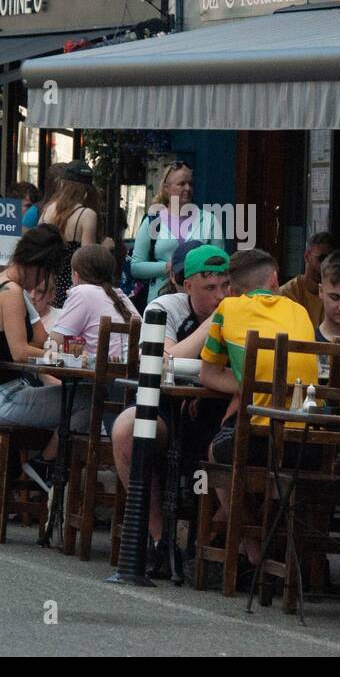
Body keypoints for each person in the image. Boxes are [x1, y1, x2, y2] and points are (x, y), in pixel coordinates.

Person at [110, 242, 230, 572]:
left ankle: (219, 542)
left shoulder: (242, 309)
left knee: (235, 446)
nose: (220, 296)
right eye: (210, 288)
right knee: (126, 430)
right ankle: (160, 538)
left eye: (225, 285)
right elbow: (162, 364)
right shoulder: (165, 307)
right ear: (187, 285)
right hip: (165, 409)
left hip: (220, 414)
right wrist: (211, 326)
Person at [201, 248, 319, 569]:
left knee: (217, 452)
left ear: (233, 288)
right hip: (308, 446)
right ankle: (292, 552)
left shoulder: (228, 308)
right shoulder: (300, 312)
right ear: (274, 280)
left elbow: (207, 373)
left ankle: (251, 546)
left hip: (260, 443)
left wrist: (249, 385)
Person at [0, 225, 76, 463]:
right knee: (84, 402)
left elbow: (40, 338)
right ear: (38, 265)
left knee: (80, 399)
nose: (44, 282)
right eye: (46, 273)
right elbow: (20, 352)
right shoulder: (11, 293)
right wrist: (68, 360)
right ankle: (47, 465)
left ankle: (48, 464)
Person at [130, 161, 224, 304]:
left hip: (201, 302)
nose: (187, 188)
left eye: (191, 184)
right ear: (166, 188)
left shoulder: (209, 220)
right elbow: (136, 267)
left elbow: (220, 262)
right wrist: (168, 267)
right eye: (181, 184)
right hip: (160, 300)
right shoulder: (153, 220)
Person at [49, 245, 141, 357]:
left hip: (100, 373)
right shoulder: (121, 295)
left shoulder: (82, 292)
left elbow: (54, 343)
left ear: (76, 276)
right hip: (132, 372)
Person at [38, 158, 99, 309]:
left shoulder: (48, 209)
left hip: (45, 287)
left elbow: (38, 247)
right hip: (70, 291)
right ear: (87, 190)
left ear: (63, 185)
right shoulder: (86, 215)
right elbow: (86, 264)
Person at [278, 232, 336, 329]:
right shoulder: (286, 294)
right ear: (307, 256)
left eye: (331, 260)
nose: (327, 266)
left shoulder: (338, 297)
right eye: (322, 258)